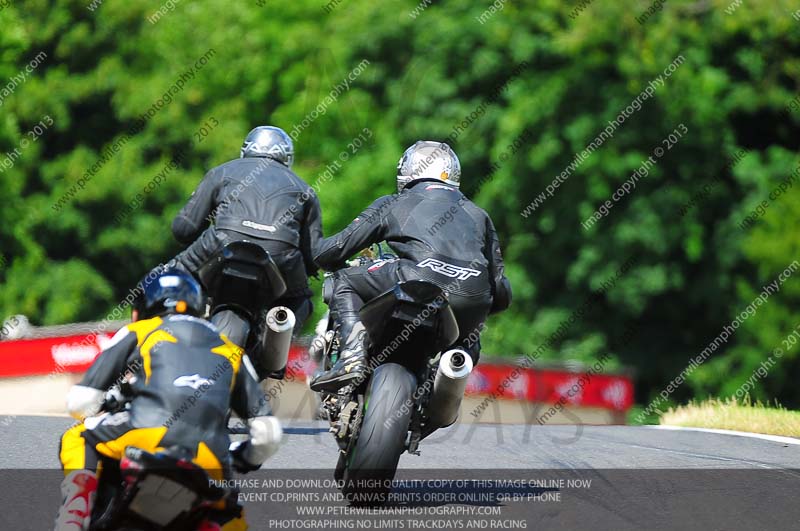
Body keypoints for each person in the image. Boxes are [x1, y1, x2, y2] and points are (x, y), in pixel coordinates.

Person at [55, 269, 282, 531]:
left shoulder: (141, 330)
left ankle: (74, 516)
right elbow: (268, 435)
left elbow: (79, 403)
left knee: (77, 437)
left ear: (144, 308)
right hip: (209, 456)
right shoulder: (230, 349)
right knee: (230, 515)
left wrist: (108, 405)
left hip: (144, 434)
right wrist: (245, 457)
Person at [309, 141, 512, 392]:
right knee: (472, 334)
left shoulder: (394, 202)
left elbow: (332, 251)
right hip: (471, 299)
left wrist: (315, 247)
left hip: (415, 280)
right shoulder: (479, 214)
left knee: (345, 279)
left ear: (407, 171)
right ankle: (448, 376)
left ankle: (351, 355)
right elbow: (501, 292)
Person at [167, 125, 323, 346]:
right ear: (287, 158)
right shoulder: (305, 189)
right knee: (301, 300)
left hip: (221, 243)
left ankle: (145, 347)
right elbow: (314, 254)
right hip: (280, 256)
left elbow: (183, 229)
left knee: (167, 277)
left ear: (246, 150)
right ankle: (272, 358)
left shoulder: (221, 171)